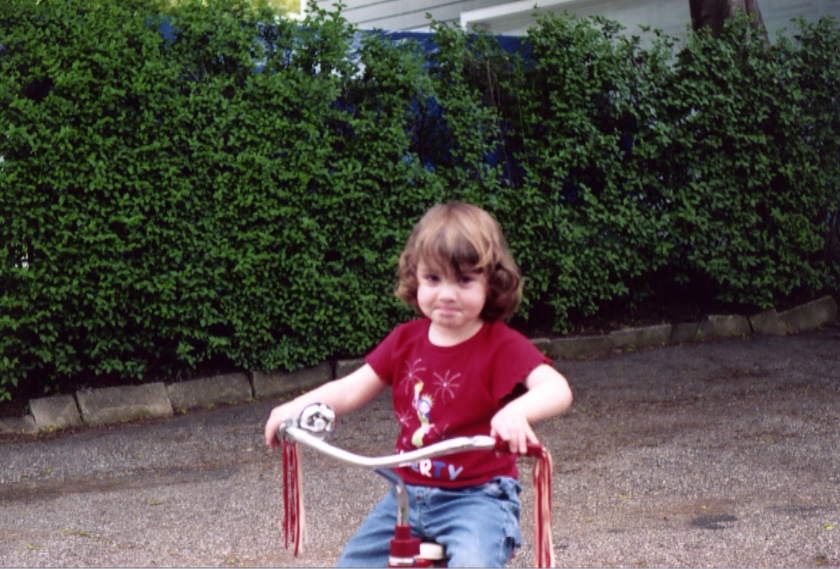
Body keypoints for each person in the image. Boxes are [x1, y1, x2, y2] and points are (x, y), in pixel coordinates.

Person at [264, 201, 573, 567]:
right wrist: (292, 409)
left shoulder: (501, 345)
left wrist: (516, 412)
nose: (447, 294)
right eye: (433, 279)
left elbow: (557, 389)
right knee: (352, 563)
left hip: (478, 498)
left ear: (492, 282)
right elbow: (349, 389)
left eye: (464, 280)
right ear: (415, 279)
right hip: (407, 494)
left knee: (473, 563)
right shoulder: (405, 341)